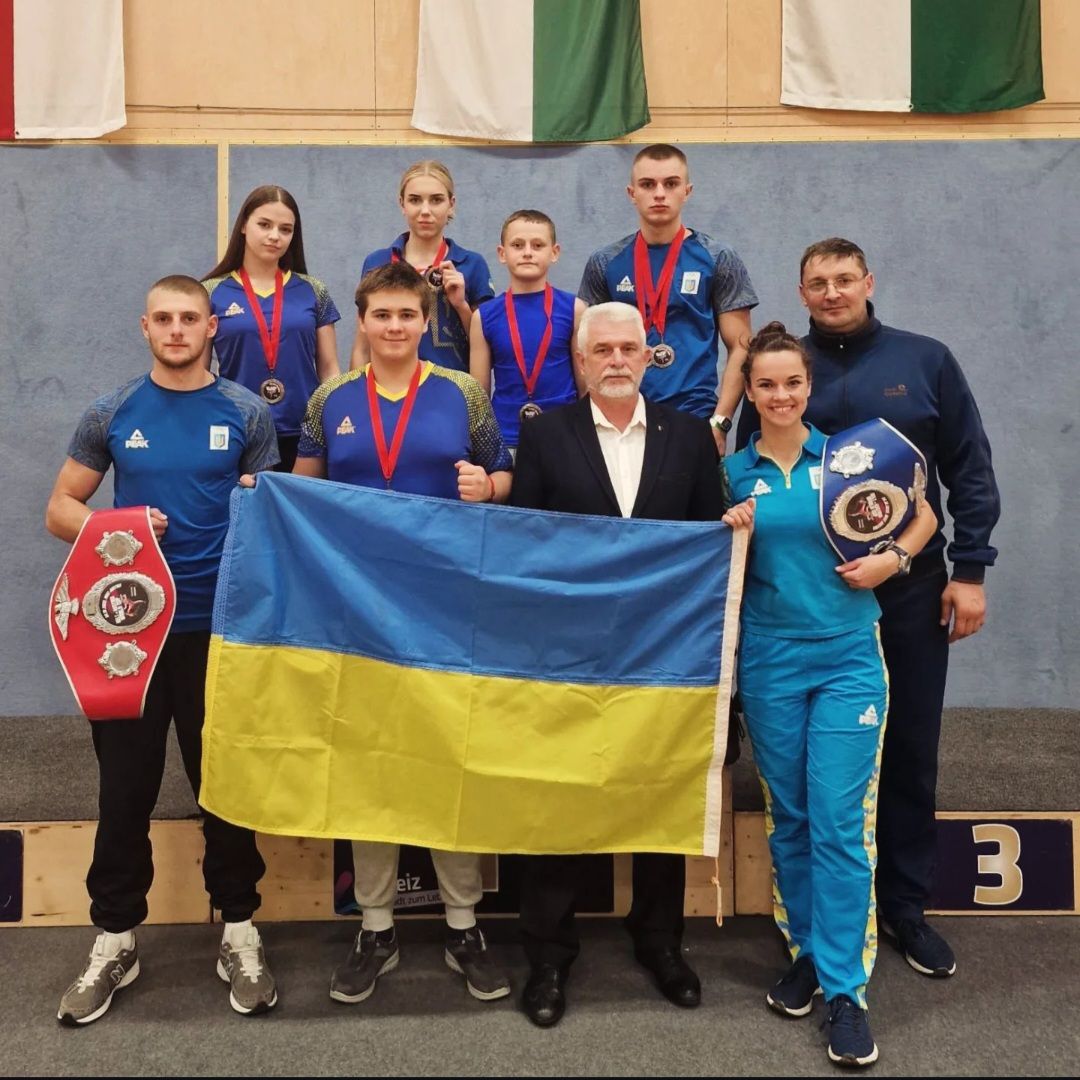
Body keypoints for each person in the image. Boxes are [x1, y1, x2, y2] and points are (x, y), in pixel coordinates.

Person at [736, 239, 1001, 979]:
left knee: (910, 746)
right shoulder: (784, 370)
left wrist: (970, 570)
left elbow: (967, 467)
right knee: (808, 781)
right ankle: (815, 924)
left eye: (844, 279)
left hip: (909, 588)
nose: (832, 292)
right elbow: (747, 478)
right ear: (801, 291)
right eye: (817, 282)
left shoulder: (926, 360)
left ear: (867, 282)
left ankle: (904, 907)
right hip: (811, 601)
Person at [45, 276, 280, 1025]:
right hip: (130, 640)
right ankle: (116, 938)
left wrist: (259, 502)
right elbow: (60, 508)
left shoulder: (247, 413)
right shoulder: (112, 411)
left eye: (190, 318)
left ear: (211, 327)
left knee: (225, 788)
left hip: (220, 632)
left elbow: (273, 515)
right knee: (124, 792)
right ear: (145, 327)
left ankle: (239, 930)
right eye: (164, 319)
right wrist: (116, 526)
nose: (177, 329)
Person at [509, 301, 748, 1028]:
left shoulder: (690, 437)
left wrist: (731, 527)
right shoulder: (544, 435)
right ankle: (549, 955)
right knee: (560, 801)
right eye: (602, 350)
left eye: (628, 348)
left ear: (648, 357)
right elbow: (526, 545)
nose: (616, 360)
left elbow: (707, 546)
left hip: (662, 658)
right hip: (568, 657)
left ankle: (660, 942)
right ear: (580, 361)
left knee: (657, 792)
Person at [295, 260, 513, 1004]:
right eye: (381, 315)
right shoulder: (329, 399)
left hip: (445, 607)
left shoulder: (463, 394)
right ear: (362, 320)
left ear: (426, 321)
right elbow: (303, 491)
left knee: (451, 756)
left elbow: (505, 474)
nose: (394, 326)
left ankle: (463, 923)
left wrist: (488, 486)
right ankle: (376, 926)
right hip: (355, 612)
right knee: (369, 763)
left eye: (407, 315)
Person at [725, 322, 938, 1068]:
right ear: (750, 393)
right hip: (770, 661)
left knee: (841, 822)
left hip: (849, 658)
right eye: (766, 384)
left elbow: (924, 510)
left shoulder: (850, 458)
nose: (780, 395)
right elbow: (714, 564)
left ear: (809, 387)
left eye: (792, 382)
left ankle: (847, 992)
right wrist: (730, 529)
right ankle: (809, 954)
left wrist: (895, 560)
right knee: (792, 817)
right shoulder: (733, 473)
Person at [578, 143, 758, 450]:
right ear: (631, 193)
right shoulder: (605, 262)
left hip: (695, 416)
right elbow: (587, 348)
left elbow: (741, 346)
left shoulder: (718, 258)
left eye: (671, 184)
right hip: (622, 417)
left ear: (687, 191)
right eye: (648, 185)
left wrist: (720, 422)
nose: (659, 194)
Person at [202, 185, 341, 473]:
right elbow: (199, 372)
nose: (275, 236)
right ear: (243, 225)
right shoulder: (210, 292)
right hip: (237, 429)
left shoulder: (314, 290)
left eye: (285, 229)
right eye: (264, 224)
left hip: (305, 433)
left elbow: (329, 369)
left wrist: (333, 422)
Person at [350, 160, 494, 374]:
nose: (425, 210)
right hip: (388, 387)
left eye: (436, 200)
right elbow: (362, 346)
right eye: (415, 200)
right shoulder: (378, 262)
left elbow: (487, 347)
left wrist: (461, 305)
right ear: (402, 204)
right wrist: (357, 390)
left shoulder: (472, 264)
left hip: (450, 387)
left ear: (451, 204)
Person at [469, 209, 585, 451]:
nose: (528, 252)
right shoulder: (484, 316)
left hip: (565, 436)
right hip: (506, 439)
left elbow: (585, 386)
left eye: (538, 245)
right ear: (502, 253)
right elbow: (479, 397)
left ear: (554, 252)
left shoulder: (575, 309)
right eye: (518, 245)